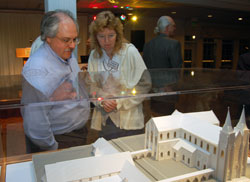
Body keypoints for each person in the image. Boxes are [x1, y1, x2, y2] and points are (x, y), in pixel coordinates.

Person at [21, 10, 90, 153]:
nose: (72, 45)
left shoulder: (65, 54)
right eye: (66, 40)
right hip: (61, 140)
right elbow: (35, 124)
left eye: (75, 39)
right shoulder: (37, 69)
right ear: (48, 37)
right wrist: (53, 148)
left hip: (76, 134)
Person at [87, 11, 151, 140]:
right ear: (95, 37)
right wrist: (102, 100)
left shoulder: (130, 51)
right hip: (105, 119)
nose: (106, 41)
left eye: (111, 35)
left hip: (130, 120)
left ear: (117, 34)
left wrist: (119, 102)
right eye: (101, 36)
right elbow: (90, 86)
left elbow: (145, 84)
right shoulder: (94, 55)